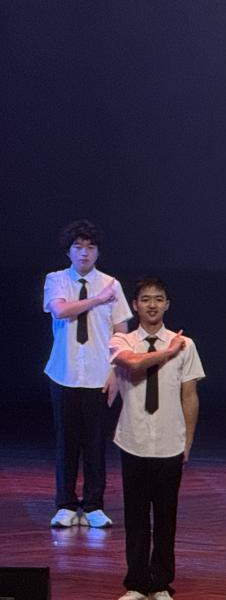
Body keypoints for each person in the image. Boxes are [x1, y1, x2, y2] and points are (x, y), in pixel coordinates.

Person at [107, 278, 203, 600]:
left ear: (167, 304)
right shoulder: (123, 340)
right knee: (135, 518)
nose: (152, 305)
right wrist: (167, 352)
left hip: (169, 441)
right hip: (133, 439)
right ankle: (136, 585)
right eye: (146, 299)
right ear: (135, 305)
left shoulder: (185, 345)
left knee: (165, 518)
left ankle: (161, 585)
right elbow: (133, 363)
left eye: (158, 299)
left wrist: (188, 439)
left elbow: (189, 395)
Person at [43, 219, 132, 528]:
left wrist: (116, 372)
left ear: (98, 252)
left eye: (90, 247)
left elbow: (121, 332)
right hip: (64, 372)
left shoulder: (112, 284)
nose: (84, 253)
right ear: (68, 251)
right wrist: (97, 299)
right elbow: (60, 310)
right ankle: (66, 504)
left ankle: (93, 505)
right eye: (78, 247)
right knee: (66, 442)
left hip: (99, 374)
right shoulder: (56, 279)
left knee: (95, 443)